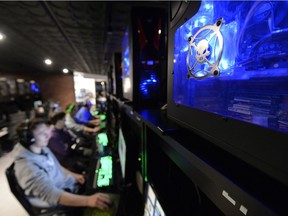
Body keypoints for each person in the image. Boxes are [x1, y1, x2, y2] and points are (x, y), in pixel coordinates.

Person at [11, 118, 111, 212]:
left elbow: (56, 166)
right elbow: (51, 194)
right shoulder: (27, 167)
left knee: (100, 185)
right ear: (30, 139)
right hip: (58, 201)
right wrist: (88, 201)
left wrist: (75, 176)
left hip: (66, 186)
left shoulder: (42, 148)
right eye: (41, 133)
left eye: (46, 131)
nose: (47, 136)